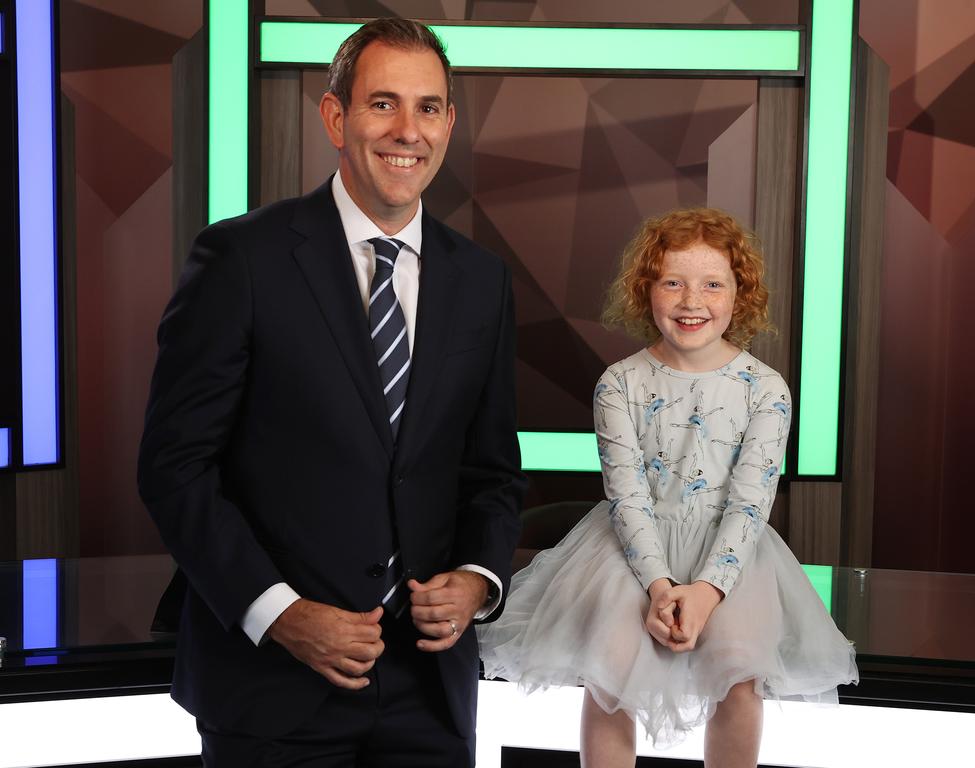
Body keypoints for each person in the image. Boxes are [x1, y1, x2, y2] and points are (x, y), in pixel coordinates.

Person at [138, 18, 524, 767]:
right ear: (336, 118)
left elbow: (492, 473)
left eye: (430, 107)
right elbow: (175, 467)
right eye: (383, 104)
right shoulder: (240, 259)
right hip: (271, 688)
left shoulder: (483, 282)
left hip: (429, 692)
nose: (408, 130)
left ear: (448, 123)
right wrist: (278, 614)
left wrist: (478, 580)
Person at [478, 208, 858, 767]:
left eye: (712, 284)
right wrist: (659, 586)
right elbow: (625, 495)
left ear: (739, 293)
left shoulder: (766, 389)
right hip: (632, 550)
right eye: (672, 282)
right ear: (646, 290)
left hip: (729, 554)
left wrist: (705, 591)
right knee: (610, 664)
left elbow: (750, 503)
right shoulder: (619, 383)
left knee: (737, 667)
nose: (691, 300)